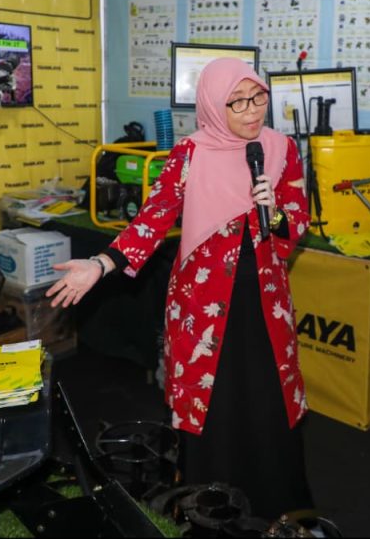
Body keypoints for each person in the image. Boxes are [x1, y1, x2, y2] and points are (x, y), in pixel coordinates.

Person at [47, 58, 313, 520]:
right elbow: (152, 219)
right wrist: (101, 263)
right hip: (203, 306)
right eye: (237, 102)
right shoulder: (190, 154)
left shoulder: (280, 149)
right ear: (213, 105)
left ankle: (278, 506)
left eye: (258, 97)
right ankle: (207, 507)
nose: (252, 110)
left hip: (265, 303)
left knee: (269, 400)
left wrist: (276, 214)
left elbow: (298, 220)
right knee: (211, 403)